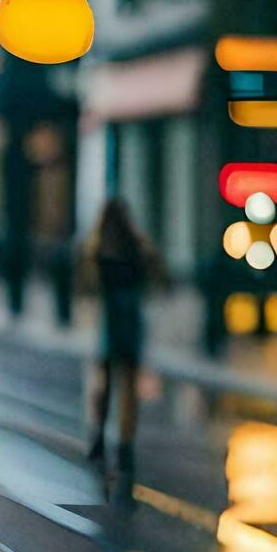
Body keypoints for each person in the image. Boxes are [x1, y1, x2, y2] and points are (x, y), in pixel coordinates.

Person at [80, 198, 161, 477]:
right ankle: (125, 446)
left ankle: (99, 438)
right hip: (131, 321)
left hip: (110, 321)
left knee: (103, 383)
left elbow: (86, 286)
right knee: (128, 386)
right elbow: (157, 276)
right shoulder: (137, 246)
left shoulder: (99, 247)